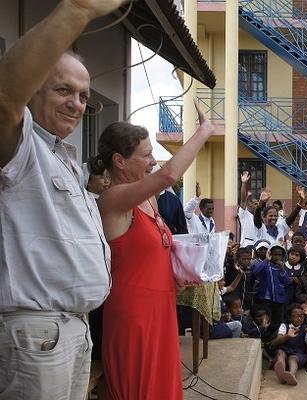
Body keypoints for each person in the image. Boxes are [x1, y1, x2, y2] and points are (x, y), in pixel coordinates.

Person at [0, 1, 128, 399]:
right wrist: (77, 9)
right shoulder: (20, 150)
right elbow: (5, 97)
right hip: (36, 332)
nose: (77, 104)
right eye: (63, 90)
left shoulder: (65, 158)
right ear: (33, 90)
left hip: (70, 330)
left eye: (84, 95)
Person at [97, 103, 214, 399]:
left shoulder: (150, 200)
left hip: (161, 308)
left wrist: (179, 271)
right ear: (119, 161)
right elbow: (168, 176)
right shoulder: (114, 198)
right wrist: (204, 132)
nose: (153, 161)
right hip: (134, 316)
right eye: (146, 155)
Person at [238, 171, 259, 247]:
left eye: (258, 204)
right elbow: (243, 200)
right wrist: (244, 183)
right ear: (249, 204)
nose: (257, 206)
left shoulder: (260, 218)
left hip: (257, 248)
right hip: (246, 247)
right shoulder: (245, 215)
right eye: (255, 204)